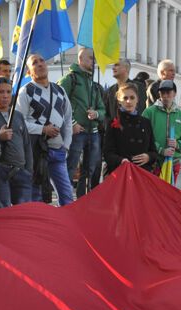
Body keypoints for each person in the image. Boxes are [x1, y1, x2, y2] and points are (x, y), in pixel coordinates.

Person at [15, 53, 74, 205]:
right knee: (37, 195)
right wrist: (42, 129)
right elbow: (19, 122)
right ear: (28, 71)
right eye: (35, 62)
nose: (40, 64)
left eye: (42, 60)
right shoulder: (25, 91)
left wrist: (66, 146)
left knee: (67, 194)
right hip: (36, 151)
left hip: (58, 150)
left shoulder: (60, 90)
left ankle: (66, 227)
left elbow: (68, 120)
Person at [59, 47, 106, 197]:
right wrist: (72, 123)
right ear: (80, 59)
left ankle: (84, 200)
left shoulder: (94, 83)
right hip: (76, 133)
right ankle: (65, 200)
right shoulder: (69, 79)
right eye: (91, 58)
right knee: (70, 167)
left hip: (93, 133)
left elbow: (103, 110)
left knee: (90, 170)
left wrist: (96, 114)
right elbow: (59, 103)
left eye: (95, 59)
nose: (94, 62)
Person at [0, 77, 33, 208]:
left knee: (24, 211)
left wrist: (29, 170)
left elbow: (26, 144)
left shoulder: (17, 115)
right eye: (0, 92)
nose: (5, 96)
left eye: (8, 91)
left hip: (21, 171)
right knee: (4, 212)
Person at [141, 80, 181, 183]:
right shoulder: (149, 112)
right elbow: (143, 136)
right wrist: (160, 150)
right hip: (154, 162)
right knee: (152, 194)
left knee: (169, 195)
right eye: (162, 92)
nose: (165, 95)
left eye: (168, 92)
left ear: (175, 93)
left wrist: (178, 144)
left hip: (174, 163)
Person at [103, 83, 157, 174]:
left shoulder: (146, 123)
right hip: (120, 173)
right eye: (125, 98)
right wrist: (121, 160)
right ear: (119, 101)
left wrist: (148, 157)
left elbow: (154, 151)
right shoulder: (113, 123)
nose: (128, 101)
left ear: (137, 100)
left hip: (142, 173)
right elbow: (108, 153)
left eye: (132, 98)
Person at [103, 58, 146, 128]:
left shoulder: (139, 87)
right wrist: (111, 127)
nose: (113, 68)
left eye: (117, 65)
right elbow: (105, 114)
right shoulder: (109, 91)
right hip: (115, 133)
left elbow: (141, 109)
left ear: (126, 68)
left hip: (134, 131)